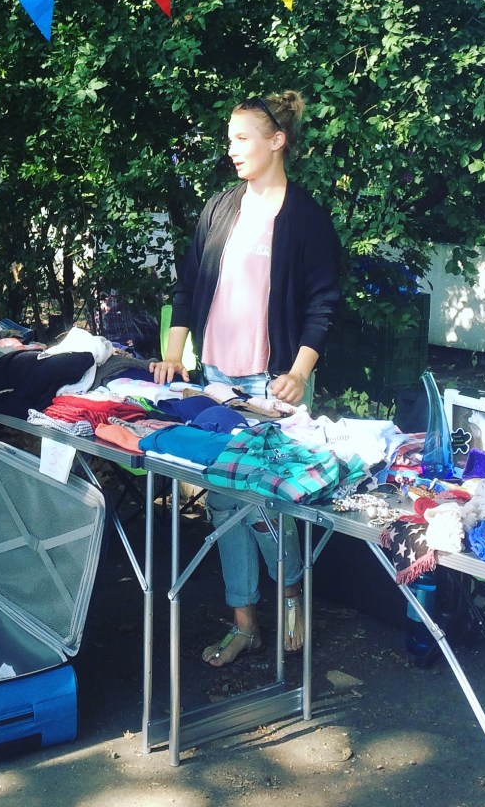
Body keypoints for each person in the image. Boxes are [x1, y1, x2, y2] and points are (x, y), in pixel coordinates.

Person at [151, 90, 340, 666]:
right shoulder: (220, 208)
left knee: (265, 506)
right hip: (214, 377)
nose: (231, 149)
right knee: (223, 502)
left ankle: (291, 599)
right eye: (229, 139)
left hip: (270, 382)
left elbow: (323, 301)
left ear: (277, 141)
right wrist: (173, 354)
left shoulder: (304, 217)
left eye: (241, 138)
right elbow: (189, 285)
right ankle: (243, 623)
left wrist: (300, 371)